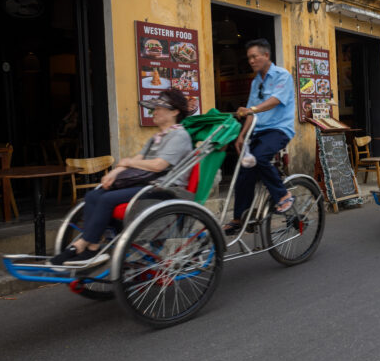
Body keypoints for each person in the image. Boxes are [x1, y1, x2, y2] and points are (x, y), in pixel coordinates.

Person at [51, 88, 192, 266]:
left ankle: (83, 245)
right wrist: (115, 172)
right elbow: (136, 160)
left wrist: (128, 162)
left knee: (107, 199)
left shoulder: (179, 135)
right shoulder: (156, 137)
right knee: (93, 195)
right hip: (147, 184)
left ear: (174, 112)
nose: (154, 112)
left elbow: (159, 165)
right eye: (154, 108)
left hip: (166, 189)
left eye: (159, 108)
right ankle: (93, 246)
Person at [226, 38, 295, 236]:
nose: (251, 61)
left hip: (279, 129)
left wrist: (252, 109)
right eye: (249, 58)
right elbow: (251, 111)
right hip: (259, 131)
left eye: (254, 57)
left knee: (259, 157)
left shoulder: (282, 75)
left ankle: (283, 195)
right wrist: (241, 135)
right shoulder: (256, 81)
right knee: (244, 169)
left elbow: (274, 101)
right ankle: (240, 217)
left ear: (266, 55)